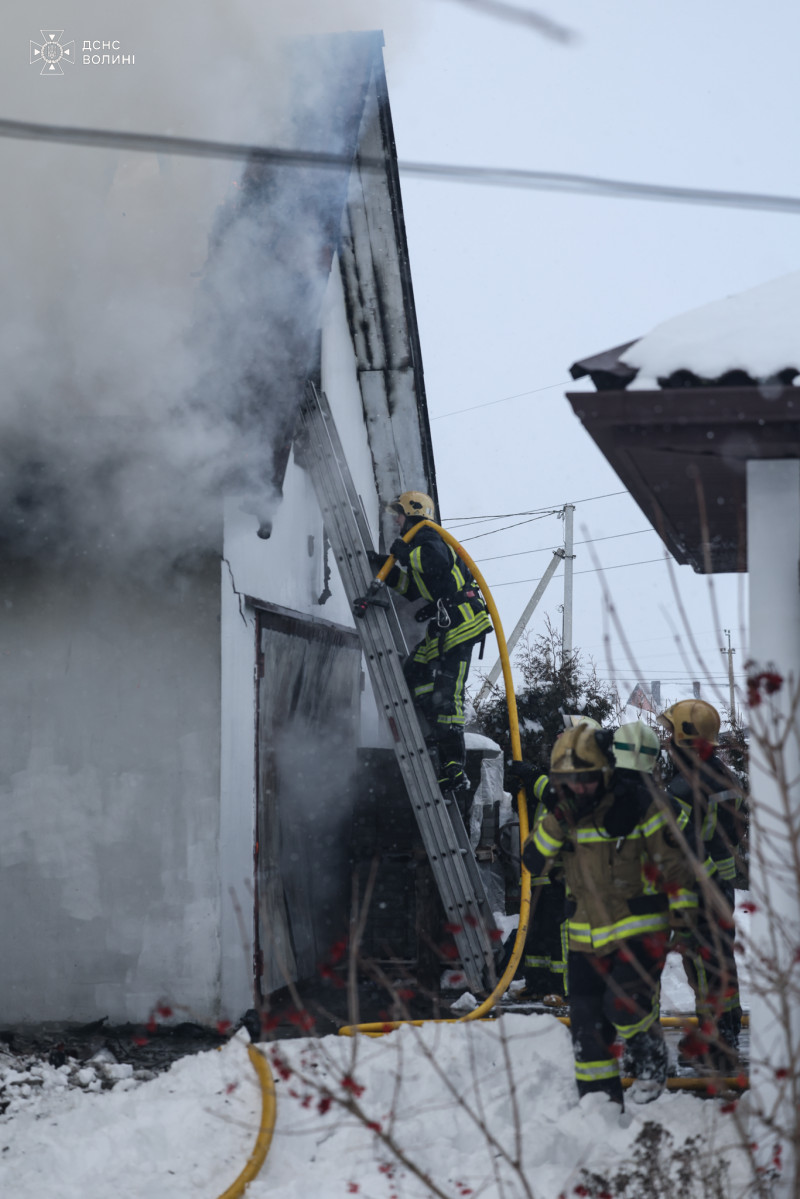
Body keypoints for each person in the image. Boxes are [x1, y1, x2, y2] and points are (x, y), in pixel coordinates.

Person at [521, 722, 697, 1107]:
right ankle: (598, 1104)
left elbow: (676, 868)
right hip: (586, 936)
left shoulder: (639, 804)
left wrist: (684, 923)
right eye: (567, 781)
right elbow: (534, 860)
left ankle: (651, 1060)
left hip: (639, 929)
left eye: (584, 779)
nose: (577, 788)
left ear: (604, 772)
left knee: (624, 1003)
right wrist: (557, 818)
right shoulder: (565, 812)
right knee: (587, 1026)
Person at [358, 491, 492, 797]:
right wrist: (386, 567)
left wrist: (404, 555)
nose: (396, 520)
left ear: (413, 513)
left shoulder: (427, 536)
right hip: (446, 627)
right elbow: (415, 586)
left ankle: (455, 766)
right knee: (415, 672)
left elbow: (436, 561)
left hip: (462, 624)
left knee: (449, 695)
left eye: (400, 514)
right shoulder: (418, 544)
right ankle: (437, 729)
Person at [659, 699, 745, 1072]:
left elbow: (677, 843)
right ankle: (723, 1032)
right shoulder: (724, 775)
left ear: (685, 736)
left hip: (700, 891)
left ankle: (716, 1044)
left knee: (707, 967)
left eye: (669, 731)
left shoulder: (683, 785)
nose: (665, 738)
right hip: (721, 886)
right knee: (719, 965)